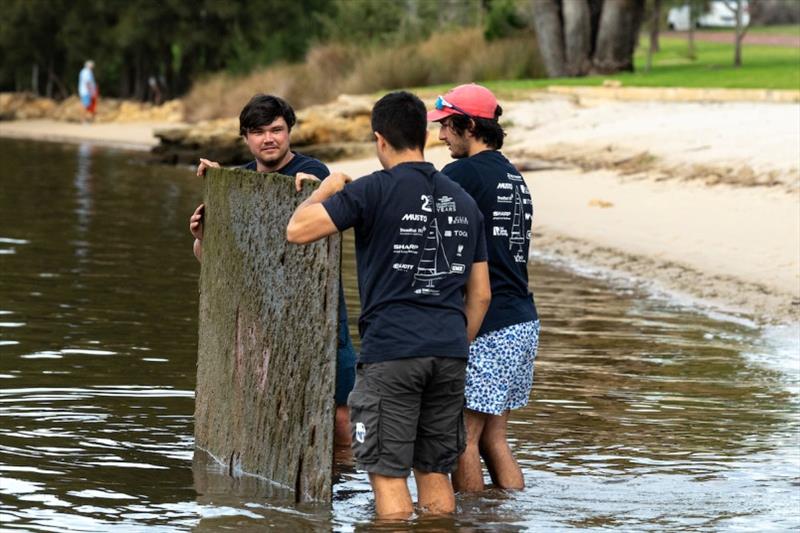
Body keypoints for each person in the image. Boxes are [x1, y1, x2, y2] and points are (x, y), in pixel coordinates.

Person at [286, 91, 491, 518]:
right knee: (434, 472)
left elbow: (297, 230)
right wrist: (455, 342)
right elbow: (482, 294)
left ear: (380, 139)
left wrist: (323, 190)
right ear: (422, 134)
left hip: (393, 353)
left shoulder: (371, 190)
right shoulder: (464, 201)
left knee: (386, 474)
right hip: (450, 353)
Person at [189, 94, 356, 445]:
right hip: (263, 315)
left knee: (340, 408)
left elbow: (329, 215)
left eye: (277, 130)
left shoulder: (314, 173)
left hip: (319, 310)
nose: (269, 139)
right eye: (259, 132)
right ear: (246, 137)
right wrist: (204, 237)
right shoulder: (238, 183)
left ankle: (344, 474)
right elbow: (214, 263)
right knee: (270, 403)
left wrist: (314, 191)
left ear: (289, 131)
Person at [427, 84, 540, 493]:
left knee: (463, 439)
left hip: (489, 325)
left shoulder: (462, 173)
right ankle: (506, 516)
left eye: (447, 127)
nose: (441, 137)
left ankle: (472, 522)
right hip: (522, 320)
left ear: (469, 125)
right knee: (493, 438)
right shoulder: (511, 173)